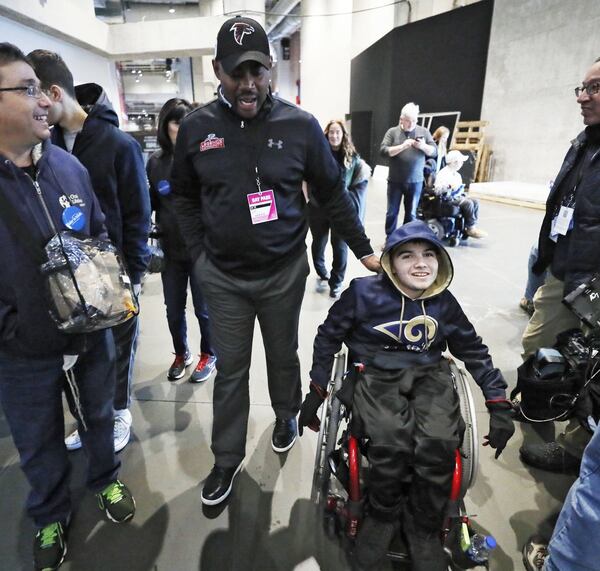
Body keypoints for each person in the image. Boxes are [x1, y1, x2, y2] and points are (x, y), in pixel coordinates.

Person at [171, 15, 380, 506]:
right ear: (219, 71)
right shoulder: (198, 129)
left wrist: (366, 249)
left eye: (257, 71)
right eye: (236, 73)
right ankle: (226, 459)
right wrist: (200, 256)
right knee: (231, 371)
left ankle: (286, 413)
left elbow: (332, 195)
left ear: (271, 70)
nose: (248, 84)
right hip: (222, 277)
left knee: (283, 356)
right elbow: (182, 196)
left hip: (284, 272)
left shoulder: (301, 126)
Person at [298, 220, 514, 571]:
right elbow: (328, 337)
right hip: (374, 372)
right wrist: (318, 388)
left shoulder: (444, 303)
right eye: (407, 255)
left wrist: (498, 402)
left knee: (441, 440)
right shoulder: (362, 293)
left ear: (440, 261)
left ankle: (423, 525)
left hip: (429, 373)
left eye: (429, 254)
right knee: (390, 439)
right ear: (390, 263)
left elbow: (473, 350)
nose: (420, 263)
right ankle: (382, 516)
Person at [0, 43, 135, 571]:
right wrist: (11, 329)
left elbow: (100, 232)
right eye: (27, 89)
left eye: (40, 87)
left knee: (99, 416)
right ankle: (50, 513)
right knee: (38, 441)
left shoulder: (69, 167)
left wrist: (111, 294)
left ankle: (105, 479)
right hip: (21, 349)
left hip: (91, 333)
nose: (44, 99)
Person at [29, 50, 151, 453]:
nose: (34, 108)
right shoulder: (44, 147)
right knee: (81, 357)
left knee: (119, 352)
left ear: (53, 92)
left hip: (113, 275)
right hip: (66, 277)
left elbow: (138, 213)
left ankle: (119, 414)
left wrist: (135, 273)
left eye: (36, 95)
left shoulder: (118, 144)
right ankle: (89, 419)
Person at [519, 57, 600, 473]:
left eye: (596, 88)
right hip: (563, 268)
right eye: (582, 88)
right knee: (537, 343)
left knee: (593, 372)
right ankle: (539, 404)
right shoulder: (583, 142)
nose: (583, 97)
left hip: (597, 284)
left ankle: (573, 447)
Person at [146, 97, 216, 382]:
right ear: (166, 126)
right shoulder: (155, 163)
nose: (183, 127)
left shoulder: (204, 158)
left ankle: (208, 354)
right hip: (171, 252)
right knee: (173, 310)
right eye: (177, 121)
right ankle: (180, 352)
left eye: (187, 120)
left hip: (202, 251)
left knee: (204, 310)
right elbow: (148, 204)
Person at [308, 119, 371, 298]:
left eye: (338, 132)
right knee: (318, 242)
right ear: (326, 135)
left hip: (341, 209)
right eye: (331, 132)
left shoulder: (353, 158)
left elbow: (359, 184)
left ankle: (336, 282)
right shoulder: (318, 155)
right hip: (318, 208)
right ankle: (321, 271)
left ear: (343, 135)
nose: (334, 135)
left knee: (340, 246)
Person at [380, 102, 437, 235]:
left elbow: (434, 152)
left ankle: (406, 238)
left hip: (415, 181)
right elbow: (383, 151)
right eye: (408, 121)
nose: (411, 124)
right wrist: (402, 146)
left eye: (414, 121)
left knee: (411, 213)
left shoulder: (424, 131)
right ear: (401, 119)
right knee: (392, 212)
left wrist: (423, 146)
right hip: (395, 181)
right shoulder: (392, 132)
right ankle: (390, 238)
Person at [434, 149, 487, 238]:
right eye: (460, 161)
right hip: (446, 199)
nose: (462, 163)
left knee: (475, 201)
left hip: (456, 196)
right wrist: (448, 187)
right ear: (454, 162)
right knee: (468, 203)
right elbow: (437, 191)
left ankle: (472, 225)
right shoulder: (443, 174)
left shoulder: (457, 175)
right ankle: (470, 228)